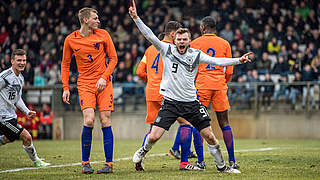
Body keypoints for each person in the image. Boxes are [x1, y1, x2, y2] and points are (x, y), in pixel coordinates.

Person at [129, 0, 252, 173]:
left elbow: (218, 61)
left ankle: (222, 167)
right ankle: (142, 152)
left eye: (185, 39)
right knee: (154, 136)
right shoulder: (166, 50)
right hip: (171, 102)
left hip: (191, 103)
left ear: (189, 41)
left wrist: (238, 60)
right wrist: (136, 18)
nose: (181, 42)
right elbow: (149, 35)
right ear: (175, 40)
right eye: (179, 39)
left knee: (210, 136)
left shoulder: (195, 54)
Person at [136, 21, 204, 171]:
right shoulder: (172, 50)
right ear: (173, 34)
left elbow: (139, 72)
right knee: (186, 123)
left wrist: (152, 80)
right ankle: (184, 162)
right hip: (168, 93)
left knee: (153, 130)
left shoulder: (150, 49)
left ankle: (139, 159)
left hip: (151, 92)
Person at [61, 7, 118, 174]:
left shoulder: (103, 34)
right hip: (85, 84)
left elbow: (114, 58)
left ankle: (109, 165)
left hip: (104, 83)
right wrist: (65, 87)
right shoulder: (70, 40)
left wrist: (104, 77)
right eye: (95, 17)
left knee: (105, 119)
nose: (98, 20)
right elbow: (64, 64)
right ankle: (85, 163)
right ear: (85, 20)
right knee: (89, 120)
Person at [190, 16, 239, 169]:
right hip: (219, 85)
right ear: (214, 28)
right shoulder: (225, 44)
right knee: (224, 122)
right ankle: (232, 161)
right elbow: (229, 69)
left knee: (198, 124)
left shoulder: (195, 43)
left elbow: (191, 67)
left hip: (202, 85)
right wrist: (223, 81)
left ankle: (200, 162)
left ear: (203, 27)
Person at [0, 49, 50, 167]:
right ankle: (36, 161)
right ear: (12, 61)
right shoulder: (4, 77)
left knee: (8, 138)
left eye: (24, 60)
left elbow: (17, 99)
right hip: (3, 117)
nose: (22, 63)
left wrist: (27, 111)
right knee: (27, 137)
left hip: (11, 115)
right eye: (19, 60)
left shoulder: (20, 78)